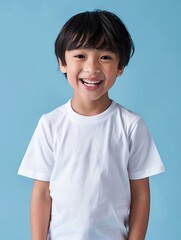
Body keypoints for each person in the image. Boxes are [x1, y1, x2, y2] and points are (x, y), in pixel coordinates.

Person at [18, 10, 165, 240]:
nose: (92, 68)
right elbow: (42, 193)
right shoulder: (50, 124)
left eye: (105, 57)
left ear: (120, 67)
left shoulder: (131, 125)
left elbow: (140, 194)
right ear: (62, 62)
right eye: (80, 56)